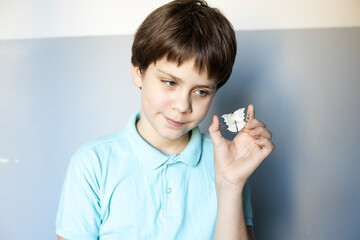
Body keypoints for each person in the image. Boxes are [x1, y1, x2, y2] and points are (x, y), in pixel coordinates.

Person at [56, 0, 274, 239]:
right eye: (170, 82)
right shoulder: (92, 164)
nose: (182, 106)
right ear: (138, 72)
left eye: (201, 91)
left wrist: (231, 184)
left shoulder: (227, 160)